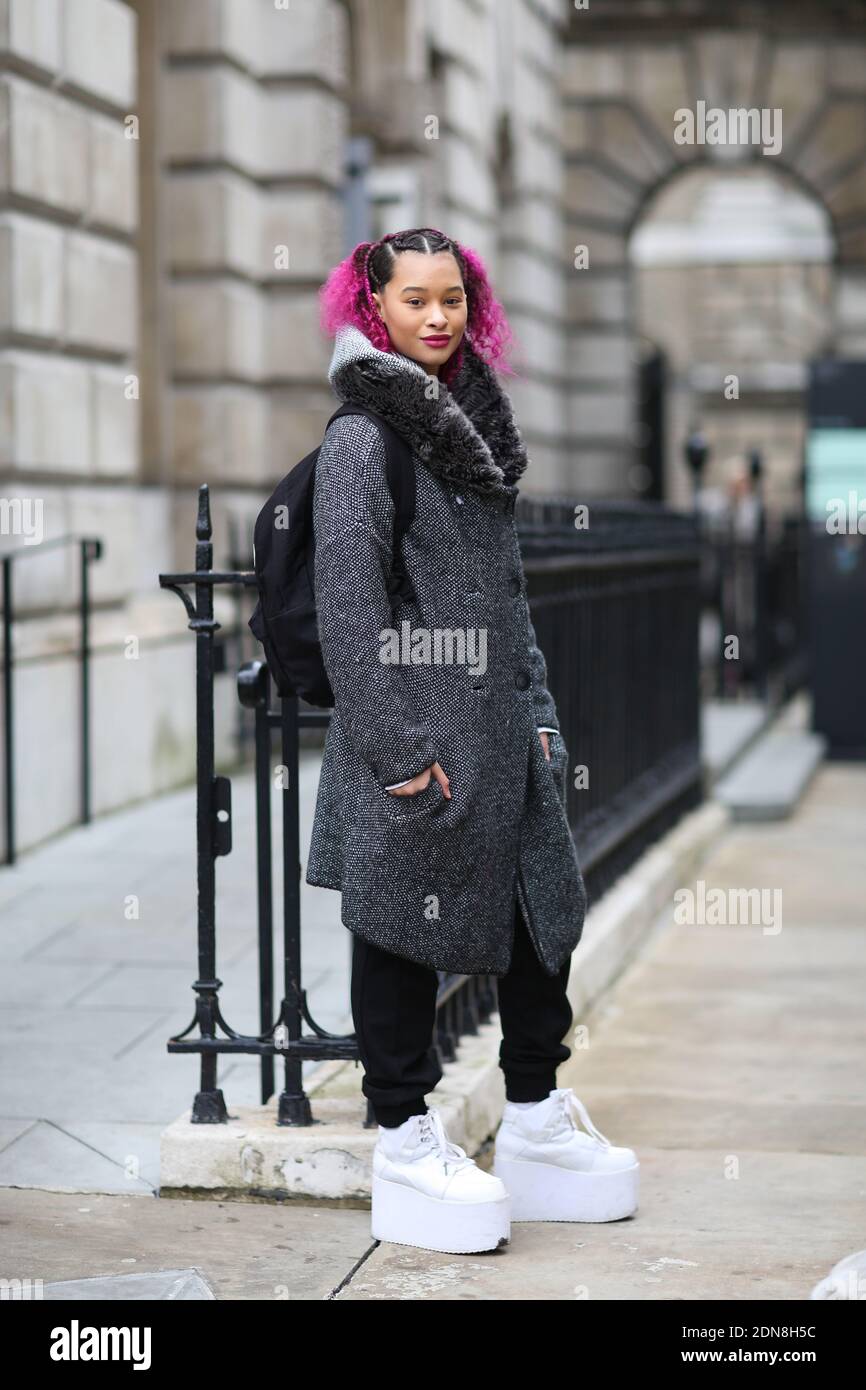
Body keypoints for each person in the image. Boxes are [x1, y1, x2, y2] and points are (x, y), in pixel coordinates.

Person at [305, 227, 638, 1253]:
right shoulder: (364, 440)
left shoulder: (473, 426)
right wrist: (400, 753)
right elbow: (349, 615)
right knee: (399, 934)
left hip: (503, 734)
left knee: (545, 916)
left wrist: (538, 717)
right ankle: (403, 1139)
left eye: (451, 298)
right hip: (413, 740)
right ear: (374, 310)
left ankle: (533, 1118)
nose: (437, 317)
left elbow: (509, 599)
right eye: (413, 300)